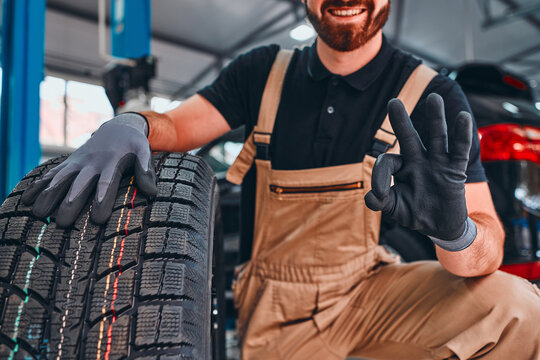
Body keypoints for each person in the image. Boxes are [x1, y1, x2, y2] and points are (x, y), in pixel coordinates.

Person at [22, 0, 540, 358]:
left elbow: (486, 247)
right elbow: (178, 125)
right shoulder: (260, 73)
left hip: (370, 291)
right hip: (273, 309)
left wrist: (456, 233)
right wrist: (134, 122)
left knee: (519, 312)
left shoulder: (434, 96)